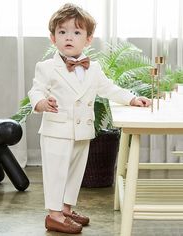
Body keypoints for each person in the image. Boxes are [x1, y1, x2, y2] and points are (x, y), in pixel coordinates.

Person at [28, 3, 151, 234]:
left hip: (82, 131)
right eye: (62, 32)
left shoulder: (93, 68)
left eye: (76, 32)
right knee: (56, 173)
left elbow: (109, 89)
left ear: (88, 39)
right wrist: (41, 103)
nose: (69, 37)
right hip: (57, 130)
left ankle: (65, 209)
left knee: (74, 173)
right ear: (53, 38)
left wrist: (132, 99)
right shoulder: (46, 67)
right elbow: (36, 90)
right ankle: (53, 215)